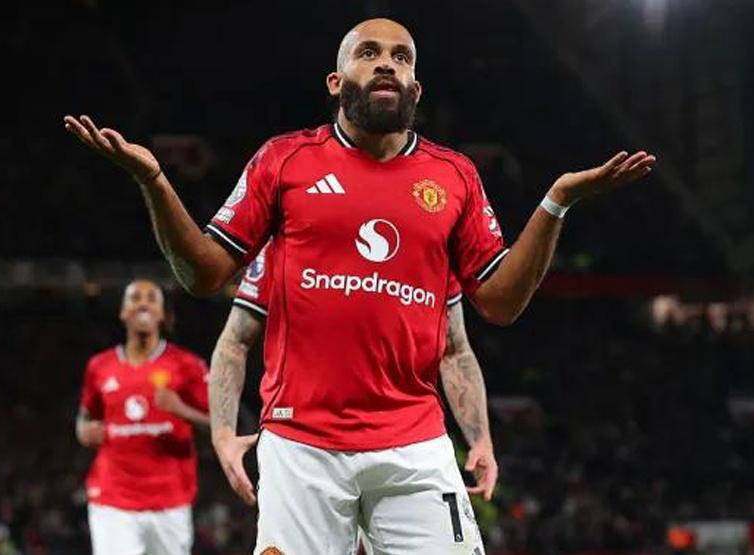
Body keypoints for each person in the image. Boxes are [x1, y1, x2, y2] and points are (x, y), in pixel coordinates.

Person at [64, 17, 655, 553]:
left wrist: (556, 203)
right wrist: (155, 183)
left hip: (414, 443)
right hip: (300, 445)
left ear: (416, 89)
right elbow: (204, 275)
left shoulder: (454, 177)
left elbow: (497, 305)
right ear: (336, 81)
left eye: (401, 57)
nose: (386, 64)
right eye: (368, 53)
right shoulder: (284, 160)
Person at [210, 242, 496, 553]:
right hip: (302, 446)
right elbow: (235, 341)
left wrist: (481, 439)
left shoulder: (434, 238)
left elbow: (455, 351)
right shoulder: (286, 238)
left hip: (415, 443)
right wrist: (222, 433)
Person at [76, 279, 210, 555]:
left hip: (170, 500)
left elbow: (222, 427)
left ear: (161, 314)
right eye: (135, 298)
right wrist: (83, 430)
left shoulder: (187, 365)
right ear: (123, 312)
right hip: (112, 500)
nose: (143, 303)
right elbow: (84, 417)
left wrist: (181, 410)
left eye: (151, 298)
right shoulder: (99, 367)